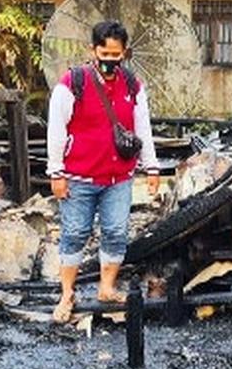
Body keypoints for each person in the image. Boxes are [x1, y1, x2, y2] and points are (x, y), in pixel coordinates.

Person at [46, 20, 159, 322]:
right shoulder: (73, 83)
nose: (110, 60)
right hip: (79, 176)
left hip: (118, 178)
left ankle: (106, 288)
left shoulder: (133, 85)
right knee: (75, 234)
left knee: (115, 233)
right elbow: (56, 129)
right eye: (104, 53)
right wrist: (56, 172)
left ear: (125, 53)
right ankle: (67, 294)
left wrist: (152, 167)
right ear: (93, 50)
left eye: (116, 55)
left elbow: (142, 128)